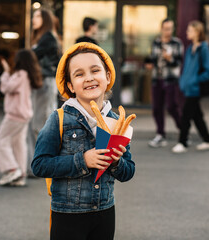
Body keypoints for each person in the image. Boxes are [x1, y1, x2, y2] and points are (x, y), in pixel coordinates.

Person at [32, 42, 135, 240]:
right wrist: (83, 160)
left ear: (107, 76)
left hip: (105, 212)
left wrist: (116, 162)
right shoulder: (59, 119)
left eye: (95, 70)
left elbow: (128, 171)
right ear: (70, 85)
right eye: (79, 74)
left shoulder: (117, 122)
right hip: (67, 214)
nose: (88, 78)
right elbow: (39, 165)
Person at [0, 49, 42, 187]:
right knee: (18, 143)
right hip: (24, 115)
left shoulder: (20, 74)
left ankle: (12, 168)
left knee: (0, 140)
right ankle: (20, 174)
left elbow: (6, 88)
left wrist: (5, 72)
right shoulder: (26, 75)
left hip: (15, 115)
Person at [172, 21, 209, 153]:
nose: (187, 33)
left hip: (195, 89)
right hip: (188, 88)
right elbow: (186, 69)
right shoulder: (190, 47)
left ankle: (182, 142)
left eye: (190, 30)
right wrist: (184, 82)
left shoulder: (204, 48)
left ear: (197, 32)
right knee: (197, 116)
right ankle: (208, 140)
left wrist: (193, 80)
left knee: (186, 115)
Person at [27, 8, 60, 175]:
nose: (34, 19)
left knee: (39, 124)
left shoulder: (47, 38)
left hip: (44, 83)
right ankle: (38, 163)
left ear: (45, 19)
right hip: (42, 84)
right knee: (37, 124)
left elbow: (33, 56)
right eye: (33, 16)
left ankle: (41, 164)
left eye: (38, 16)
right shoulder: (43, 37)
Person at [145, 19, 183, 148]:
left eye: (170, 28)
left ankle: (183, 131)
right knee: (157, 108)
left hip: (170, 79)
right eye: (166, 28)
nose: (168, 31)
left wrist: (170, 59)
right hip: (157, 79)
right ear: (161, 29)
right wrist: (149, 64)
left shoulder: (177, 43)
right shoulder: (156, 42)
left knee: (172, 107)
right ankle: (160, 135)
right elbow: (152, 58)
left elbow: (178, 63)